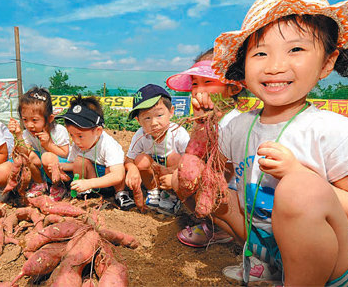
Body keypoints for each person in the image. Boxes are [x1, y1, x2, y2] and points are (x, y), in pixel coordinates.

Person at [194, 0, 348, 285]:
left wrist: (298, 175)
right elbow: (213, 174)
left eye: (295, 49)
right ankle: (273, 271)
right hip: (268, 251)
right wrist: (204, 126)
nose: (275, 66)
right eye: (260, 53)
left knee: (299, 189)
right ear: (243, 65)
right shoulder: (238, 126)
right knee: (196, 179)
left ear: (327, 63)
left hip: (337, 265)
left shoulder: (332, 130)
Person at [167, 49, 241, 247]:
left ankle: (224, 229)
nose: (199, 91)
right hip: (218, 187)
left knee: (203, 182)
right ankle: (212, 225)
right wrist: (201, 122)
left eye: (208, 82)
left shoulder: (236, 122)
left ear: (233, 88)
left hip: (235, 192)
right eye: (195, 84)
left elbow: (225, 168)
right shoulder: (207, 117)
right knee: (179, 176)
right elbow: (194, 154)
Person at [55, 95, 132, 210]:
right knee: (80, 160)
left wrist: (89, 183)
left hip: (110, 182)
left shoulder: (108, 145)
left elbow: (118, 175)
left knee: (112, 168)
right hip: (93, 180)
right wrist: (59, 166)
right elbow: (73, 164)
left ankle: (120, 193)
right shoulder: (78, 144)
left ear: (98, 131)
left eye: (80, 136)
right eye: (72, 135)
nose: (75, 141)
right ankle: (83, 192)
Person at [125, 84, 190, 215]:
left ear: (171, 112)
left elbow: (190, 161)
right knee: (140, 160)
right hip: (155, 175)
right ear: (139, 120)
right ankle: (153, 191)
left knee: (175, 157)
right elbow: (129, 160)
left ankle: (171, 195)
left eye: (159, 115)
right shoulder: (140, 135)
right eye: (147, 118)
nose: (154, 123)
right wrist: (132, 169)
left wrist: (173, 176)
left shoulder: (178, 133)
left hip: (174, 173)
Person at [8, 87, 70, 201]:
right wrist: (17, 135)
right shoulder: (27, 134)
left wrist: (48, 144)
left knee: (47, 156)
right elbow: (24, 153)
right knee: (29, 156)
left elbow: (65, 154)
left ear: (50, 118)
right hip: (41, 170)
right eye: (25, 120)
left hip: (60, 168)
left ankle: (58, 187)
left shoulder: (59, 131)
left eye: (35, 120)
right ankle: (39, 184)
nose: (29, 125)